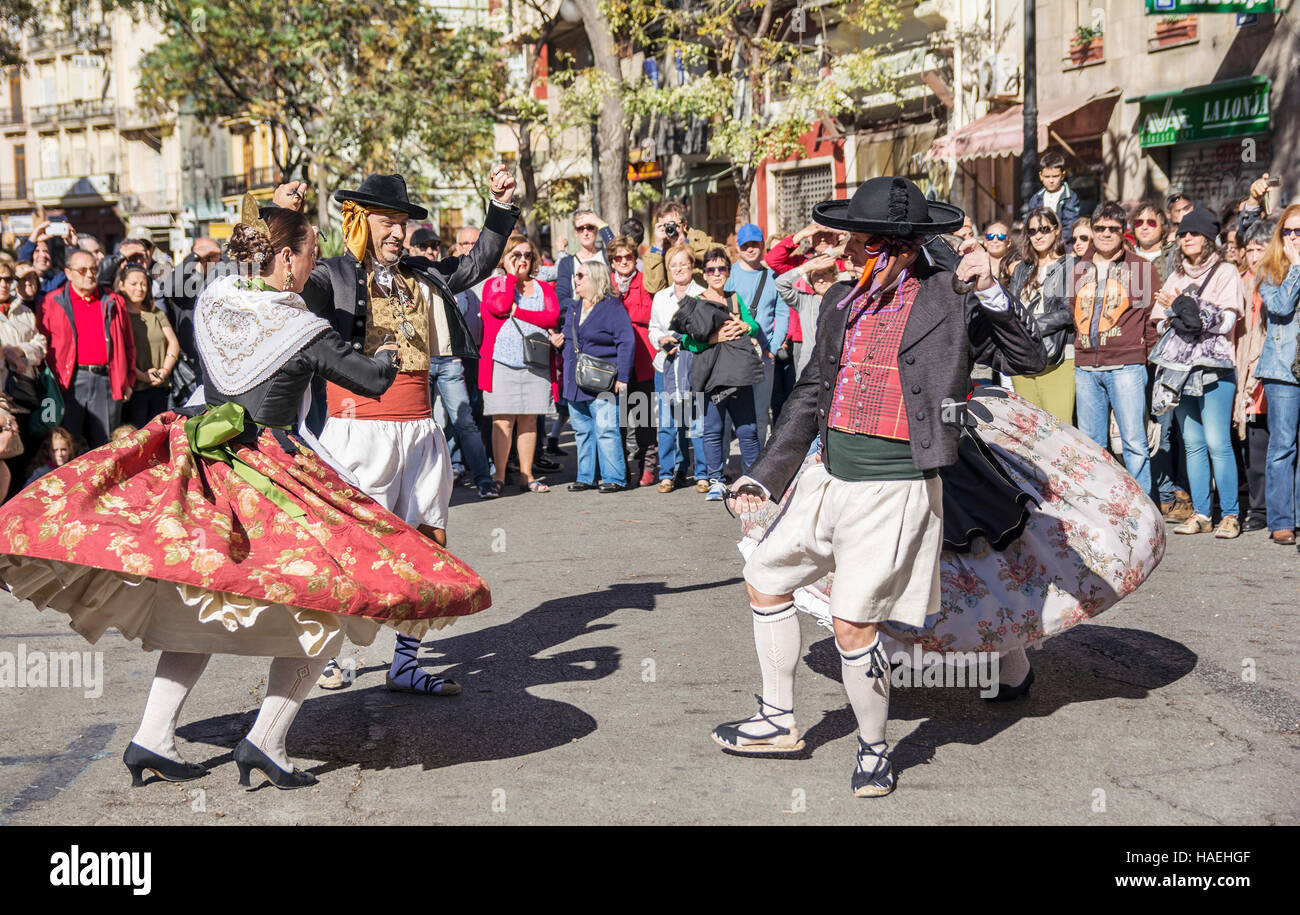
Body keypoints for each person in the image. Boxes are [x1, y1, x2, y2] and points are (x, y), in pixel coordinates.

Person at [0, 200, 491, 790]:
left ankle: (152, 737)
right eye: (309, 255)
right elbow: (370, 379)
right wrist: (386, 353)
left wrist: (279, 212)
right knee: (330, 599)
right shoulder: (305, 329)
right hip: (269, 473)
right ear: (285, 257)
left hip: (199, 463)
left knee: (199, 600)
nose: (313, 270)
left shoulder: (216, 303)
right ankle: (266, 740)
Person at [716, 176, 1048, 798]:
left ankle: (874, 750)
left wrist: (996, 290)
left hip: (894, 486)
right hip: (827, 477)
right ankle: (777, 720)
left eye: (859, 245)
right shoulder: (842, 300)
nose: (845, 256)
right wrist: (763, 475)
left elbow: (1031, 360)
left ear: (898, 247)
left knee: (852, 626)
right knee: (764, 578)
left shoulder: (951, 298)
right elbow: (811, 392)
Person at [281, 168, 517, 696]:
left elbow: (477, 262)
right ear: (360, 222)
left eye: (402, 225)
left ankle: (405, 662)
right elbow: (283, 281)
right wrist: (286, 217)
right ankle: (338, 658)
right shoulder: (331, 277)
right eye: (387, 223)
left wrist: (499, 207)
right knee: (351, 546)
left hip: (420, 428)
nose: (396, 234)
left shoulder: (422, 275)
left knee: (427, 539)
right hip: (357, 432)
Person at [1149, 207, 1245, 538]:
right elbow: (1160, 322)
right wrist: (1181, 314)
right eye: (1182, 234)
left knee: (1218, 442)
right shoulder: (1175, 277)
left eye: (1194, 233)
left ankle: (1230, 514)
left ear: (1208, 238)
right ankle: (1202, 512)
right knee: (1192, 443)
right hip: (1179, 371)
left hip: (1215, 368)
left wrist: (1184, 309)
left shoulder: (1226, 272)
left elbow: (1228, 323)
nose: (1186, 238)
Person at [1071, 202, 1159, 494]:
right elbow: (1071, 313)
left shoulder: (1142, 268)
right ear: (1093, 230)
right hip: (1085, 367)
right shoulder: (1076, 269)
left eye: (1113, 229)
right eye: (1100, 228)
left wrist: (1141, 357)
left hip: (1127, 366)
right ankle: (1100, 509)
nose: (1106, 233)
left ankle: (1144, 512)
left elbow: (1151, 319)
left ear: (1124, 233)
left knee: (1134, 443)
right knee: (1092, 445)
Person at [671, 246, 764, 500]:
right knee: (713, 429)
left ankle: (752, 479)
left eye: (721, 268)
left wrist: (745, 324)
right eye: (711, 269)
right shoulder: (696, 302)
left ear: (728, 271)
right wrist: (713, 338)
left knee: (747, 428)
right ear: (704, 273)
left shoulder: (735, 299)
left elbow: (754, 326)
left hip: (738, 373)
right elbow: (686, 342)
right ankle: (716, 480)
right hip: (712, 375)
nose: (716, 273)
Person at [479, 233, 561, 494]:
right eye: (516, 254)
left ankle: (527, 474)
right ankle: (500, 476)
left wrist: (520, 311)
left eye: (527, 255)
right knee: (502, 421)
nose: (523, 259)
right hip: (501, 363)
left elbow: (552, 317)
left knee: (528, 421)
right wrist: (512, 276)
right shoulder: (496, 284)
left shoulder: (543, 288)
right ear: (505, 258)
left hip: (535, 363)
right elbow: (500, 306)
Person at [35, 247, 136, 449]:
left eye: (94, 269)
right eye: (83, 270)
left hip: (106, 379)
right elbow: (40, 344)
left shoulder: (113, 301)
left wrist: (128, 379)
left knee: (106, 444)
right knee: (67, 442)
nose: (90, 275)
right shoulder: (51, 302)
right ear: (68, 273)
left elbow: (128, 345)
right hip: (69, 381)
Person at [555, 259, 634, 492]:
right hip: (574, 379)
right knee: (582, 430)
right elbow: (569, 340)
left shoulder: (612, 306)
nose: (575, 280)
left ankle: (614, 477)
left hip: (602, 379)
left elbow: (626, 342)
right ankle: (586, 476)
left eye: (580, 276)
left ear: (596, 278)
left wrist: (624, 377)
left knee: (606, 429)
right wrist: (558, 342)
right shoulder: (574, 307)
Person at [1254, 204, 1300, 546]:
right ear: (1280, 235)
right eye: (1289, 232)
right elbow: (1281, 308)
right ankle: (1282, 520)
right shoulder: (1270, 269)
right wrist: (1297, 269)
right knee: (1283, 445)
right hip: (1283, 369)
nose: (1295, 238)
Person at [1007, 207, 1075, 423]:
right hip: (1022, 357)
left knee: (1059, 430)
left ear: (1056, 231)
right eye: (1032, 231)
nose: (1038, 235)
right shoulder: (1021, 269)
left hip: (1057, 359)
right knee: (1028, 432)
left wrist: (1029, 325)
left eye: (1044, 229)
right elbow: (1011, 308)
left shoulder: (1071, 265)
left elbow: (1069, 313)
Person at [649, 243, 707, 492]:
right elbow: (653, 328)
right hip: (666, 365)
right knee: (668, 422)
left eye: (684, 263)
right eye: (674, 264)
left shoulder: (703, 294)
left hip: (694, 366)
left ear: (692, 266)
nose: (679, 268)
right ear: (668, 269)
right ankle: (668, 473)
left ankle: (703, 473)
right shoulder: (661, 297)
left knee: (696, 421)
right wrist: (660, 340)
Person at [727, 224, 786, 446]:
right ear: (738, 247)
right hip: (734, 356)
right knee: (730, 416)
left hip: (764, 357)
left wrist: (773, 346)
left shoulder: (773, 277)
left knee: (761, 413)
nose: (750, 249)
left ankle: (758, 464)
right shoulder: (729, 274)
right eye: (745, 245)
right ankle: (722, 469)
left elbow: (782, 312)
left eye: (755, 244)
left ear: (762, 245)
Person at [608, 234, 658, 486]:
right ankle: (620, 469)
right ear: (612, 262)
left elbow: (651, 312)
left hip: (642, 359)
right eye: (619, 257)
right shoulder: (607, 284)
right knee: (618, 419)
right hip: (614, 361)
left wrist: (623, 315)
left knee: (644, 417)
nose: (624, 261)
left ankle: (648, 467)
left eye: (629, 256)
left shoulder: (644, 281)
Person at [1235, 218, 1273, 532]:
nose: (1254, 255)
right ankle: (1258, 510)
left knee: (1282, 445)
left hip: (1272, 372)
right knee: (1254, 447)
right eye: (1250, 249)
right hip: (1244, 370)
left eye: (1261, 248)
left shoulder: (1279, 279)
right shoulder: (1238, 282)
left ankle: (1283, 510)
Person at [118, 262, 181, 428]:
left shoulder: (155, 312)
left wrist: (165, 371)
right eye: (134, 284)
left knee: (159, 434)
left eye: (143, 284)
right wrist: (141, 375)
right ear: (121, 286)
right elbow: (119, 352)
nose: (139, 288)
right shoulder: (119, 314)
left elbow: (173, 343)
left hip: (160, 386)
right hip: (134, 389)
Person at [644, 199, 715, 294]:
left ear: (684, 224)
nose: (669, 229)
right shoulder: (655, 252)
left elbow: (722, 254)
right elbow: (654, 288)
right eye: (664, 226)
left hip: (700, 298)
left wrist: (687, 244)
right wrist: (658, 247)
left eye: (672, 224)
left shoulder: (697, 237)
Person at [1026, 150, 1081, 234]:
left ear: (1062, 175)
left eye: (1055, 176)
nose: (1051, 180)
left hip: (1062, 243)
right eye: (1047, 177)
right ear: (1041, 176)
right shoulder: (1036, 198)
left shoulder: (1070, 197)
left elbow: (1070, 226)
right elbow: (1029, 223)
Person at [764, 222, 846, 275]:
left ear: (838, 237)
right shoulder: (800, 262)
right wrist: (801, 235)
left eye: (828, 234)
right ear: (810, 239)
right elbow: (772, 260)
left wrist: (837, 251)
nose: (823, 239)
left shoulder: (846, 259)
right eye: (817, 234)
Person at [1132, 202, 1172, 284]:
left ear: (1162, 227)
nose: (1144, 227)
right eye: (1139, 222)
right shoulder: (1125, 255)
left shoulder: (1173, 256)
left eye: (1151, 222)